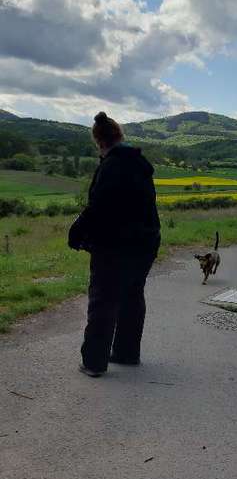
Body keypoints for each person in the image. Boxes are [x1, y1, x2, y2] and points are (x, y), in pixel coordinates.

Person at [68, 111, 160, 378]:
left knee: (103, 300)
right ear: (120, 135)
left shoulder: (110, 166)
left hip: (115, 246)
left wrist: (76, 232)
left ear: (99, 142)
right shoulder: (140, 163)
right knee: (132, 295)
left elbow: (99, 208)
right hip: (146, 241)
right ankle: (127, 352)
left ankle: (94, 362)